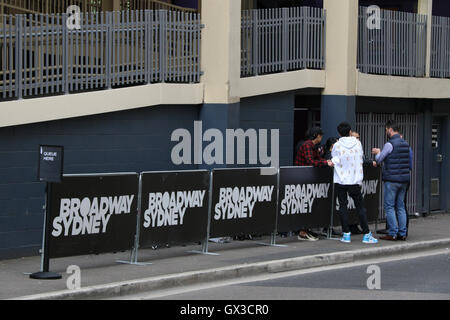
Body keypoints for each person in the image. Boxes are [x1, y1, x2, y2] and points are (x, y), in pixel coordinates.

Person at [331, 122, 378, 244]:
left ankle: (346, 234)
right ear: (350, 131)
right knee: (360, 207)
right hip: (354, 179)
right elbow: (360, 157)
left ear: (339, 133)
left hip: (341, 179)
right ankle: (366, 233)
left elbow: (334, 159)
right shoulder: (358, 143)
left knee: (343, 206)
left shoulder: (337, 145)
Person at [372, 120, 411, 241]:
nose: (386, 132)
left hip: (392, 179)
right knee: (400, 207)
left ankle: (393, 233)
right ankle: (402, 233)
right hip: (404, 179)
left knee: (389, 206)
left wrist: (378, 152)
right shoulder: (406, 144)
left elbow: (379, 160)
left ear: (390, 129)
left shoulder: (389, 144)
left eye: (386, 130)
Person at [294, 126, 334, 241]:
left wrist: (327, 161)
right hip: (302, 179)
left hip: (308, 179)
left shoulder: (313, 147)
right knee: (305, 204)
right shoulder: (307, 145)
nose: (321, 138)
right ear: (317, 135)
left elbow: (318, 158)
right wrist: (326, 163)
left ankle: (306, 229)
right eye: (321, 135)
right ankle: (302, 231)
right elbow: (311, 162)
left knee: (309, 205)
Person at [348, 131, 377, 235]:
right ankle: (356, 229)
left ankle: (354, 226)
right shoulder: (349, 148)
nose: (358, 140)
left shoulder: (358, 147)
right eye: (356, 138)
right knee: (354, 205)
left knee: (357, 206)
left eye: (359, 138)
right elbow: (361, 160)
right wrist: (370, 162)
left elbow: (363, 158)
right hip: (350, 181)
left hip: (356, 181)